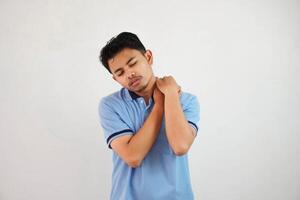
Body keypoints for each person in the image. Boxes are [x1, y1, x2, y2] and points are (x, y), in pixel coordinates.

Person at [98, 32, 200, 200]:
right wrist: (160, 105)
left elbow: (180, 146)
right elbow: (133, 157)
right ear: (115, 79)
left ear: (148, 57)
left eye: (133, 63)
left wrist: (171, 96)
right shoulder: (110, 105)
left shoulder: (187, 101)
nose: (129, 74)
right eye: (120, 72)